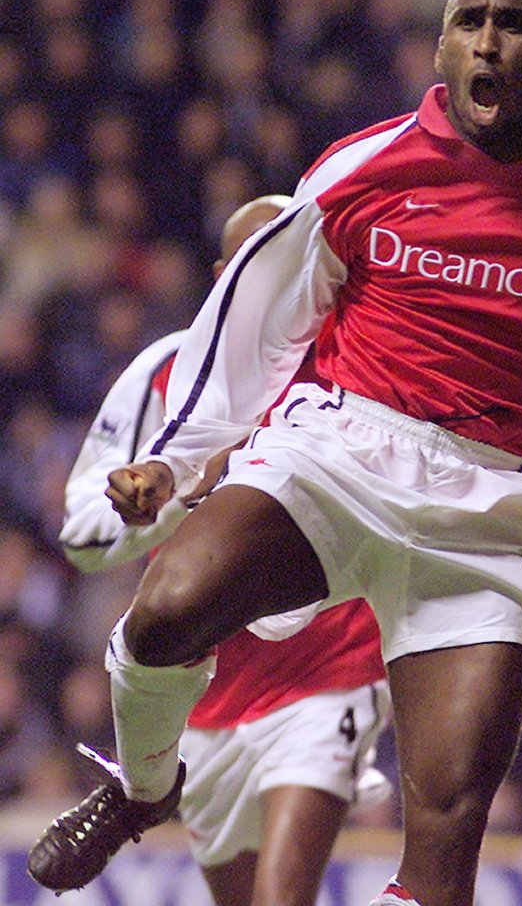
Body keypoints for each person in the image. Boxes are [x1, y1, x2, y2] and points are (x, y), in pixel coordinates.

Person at [28, 0, 522, 906]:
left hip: (485, 514)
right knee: (165, 610)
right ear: (441, 52)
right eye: (470, 22)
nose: (489, 40)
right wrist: (175, 457)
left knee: (446, 856)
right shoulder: (366, 164)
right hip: (343, 453)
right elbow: (254, 322)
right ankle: (144, 788)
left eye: (514, 24)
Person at [50, 195, 392, 906]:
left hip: (328, 670)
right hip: (204, 695)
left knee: (282, 896)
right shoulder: (164, 371)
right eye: (252, 258)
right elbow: (82, 536)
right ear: (223, 275)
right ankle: (146, 789)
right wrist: (162, 499)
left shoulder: (356, 362)